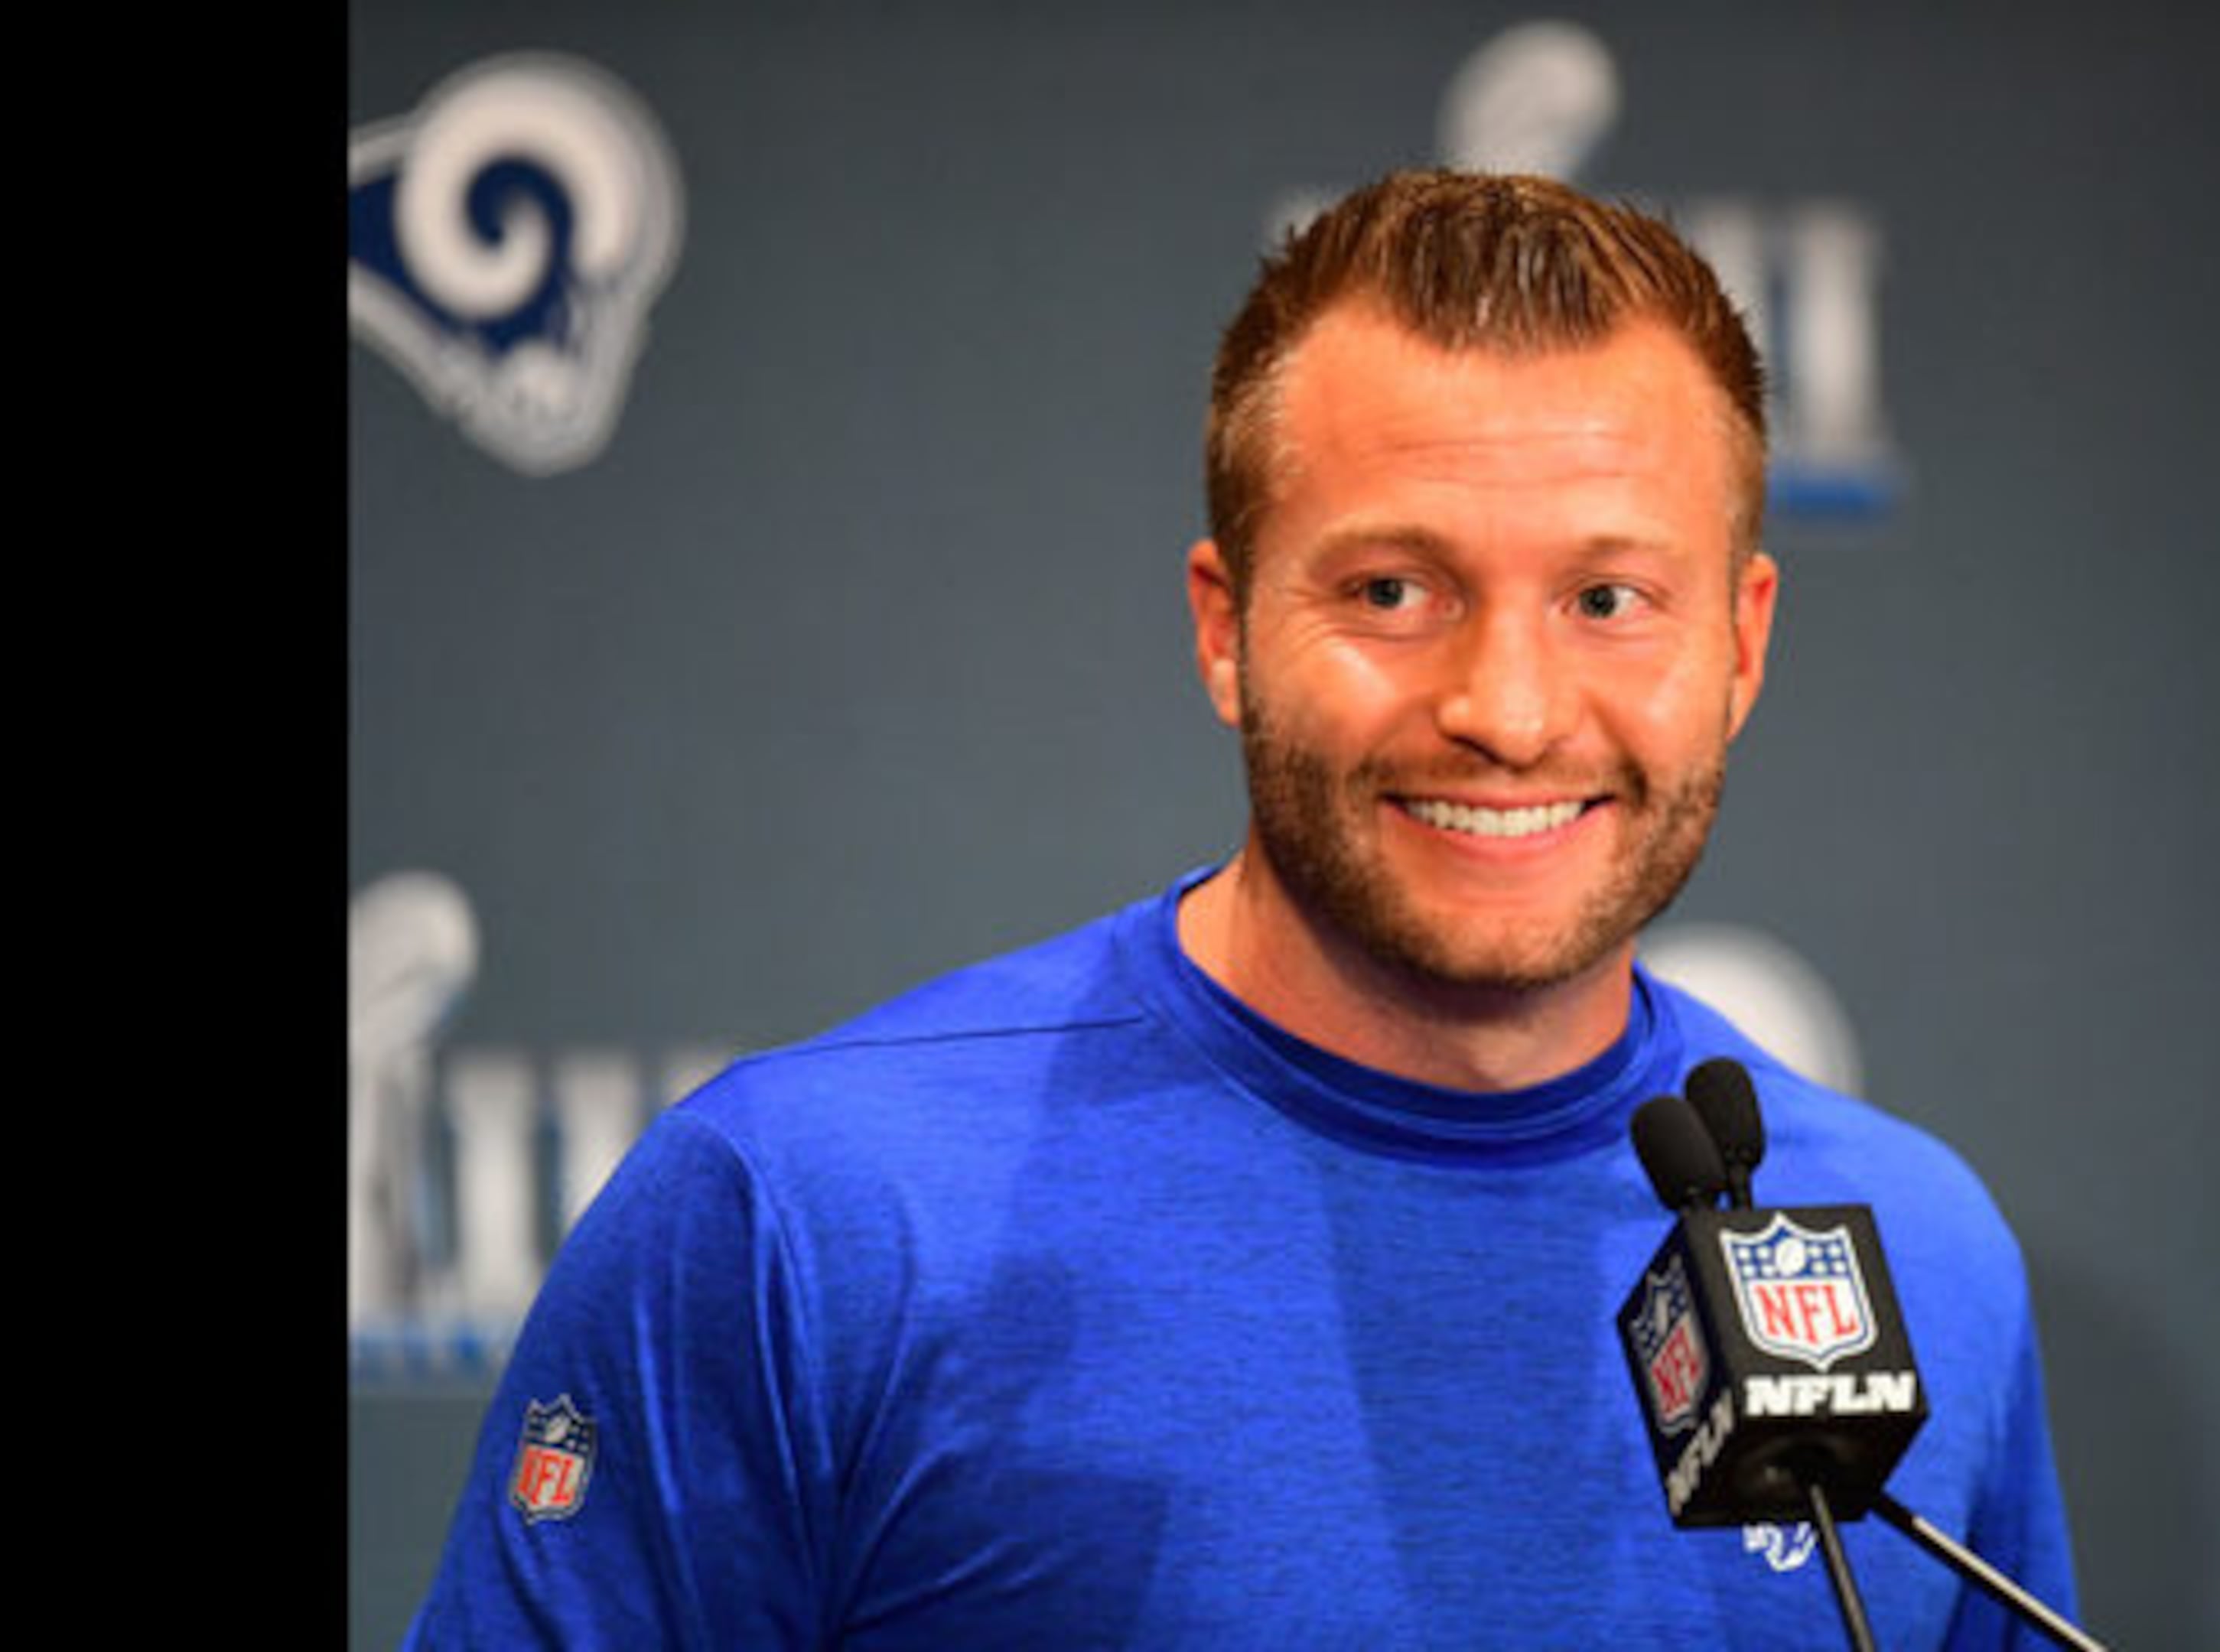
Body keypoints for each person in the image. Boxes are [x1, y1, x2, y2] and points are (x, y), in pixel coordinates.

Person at [405, 167, 2079, 1649]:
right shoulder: (812, 1219)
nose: (1508, 705)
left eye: (1608, 597)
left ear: (1745, 641)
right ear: (1225, 628)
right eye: (1393, 591)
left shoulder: (1918, 1254)